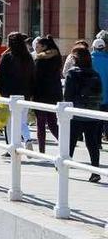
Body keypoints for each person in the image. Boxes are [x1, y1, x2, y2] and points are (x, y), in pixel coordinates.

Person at [64, 46, 104, 183]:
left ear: (75, 59)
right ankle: (95, 171)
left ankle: (64, 165)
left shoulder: (72, 73)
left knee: (70, 141)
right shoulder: (95, 73)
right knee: (92, 143)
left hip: (76, 112)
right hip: (93, 112)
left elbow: (67, 96)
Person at [0, 32, 35, 154]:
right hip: (26, 93)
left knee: (10, 122)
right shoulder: (28, 58)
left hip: (10, 94)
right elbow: (33, 76)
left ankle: (12, 148)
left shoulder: (7, 57)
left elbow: (0, 75)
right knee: (22, 120)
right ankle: (27, 139)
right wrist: (32, 92)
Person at [31, 36, 63, 153]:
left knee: (40, 123)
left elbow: (35, 77)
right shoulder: (57, 57)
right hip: (54, 93)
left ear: (44, 47)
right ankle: (65, 143)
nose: (36, 48)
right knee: (52, 122)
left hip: (41, 93)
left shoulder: (39, 60)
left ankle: (41, 150)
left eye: (38, 46)